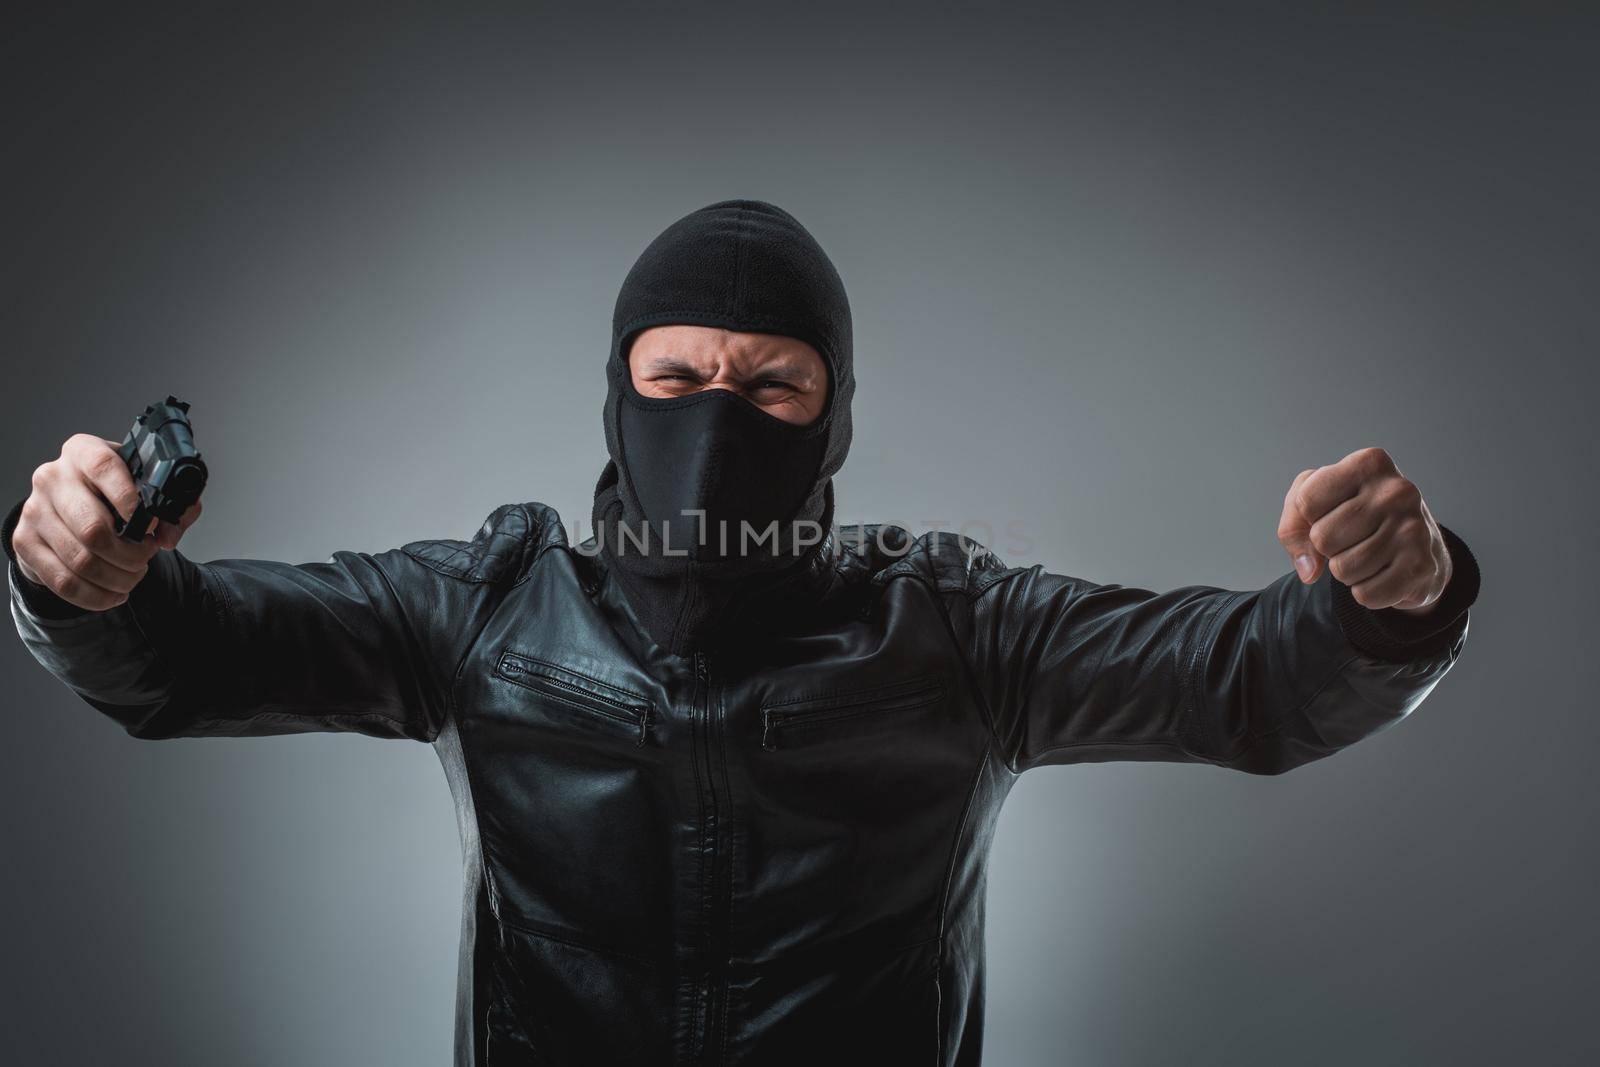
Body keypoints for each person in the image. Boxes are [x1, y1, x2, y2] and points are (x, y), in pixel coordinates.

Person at [4, 199, 1480, 1067]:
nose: (718, 414)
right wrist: (84, 575)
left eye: (772, 389)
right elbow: (188, 656)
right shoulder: (481, 609)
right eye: (678, 375)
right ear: (613, 391)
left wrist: (1390, 598)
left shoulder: (956, 629)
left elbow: (1252, 686)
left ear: (834, 419)